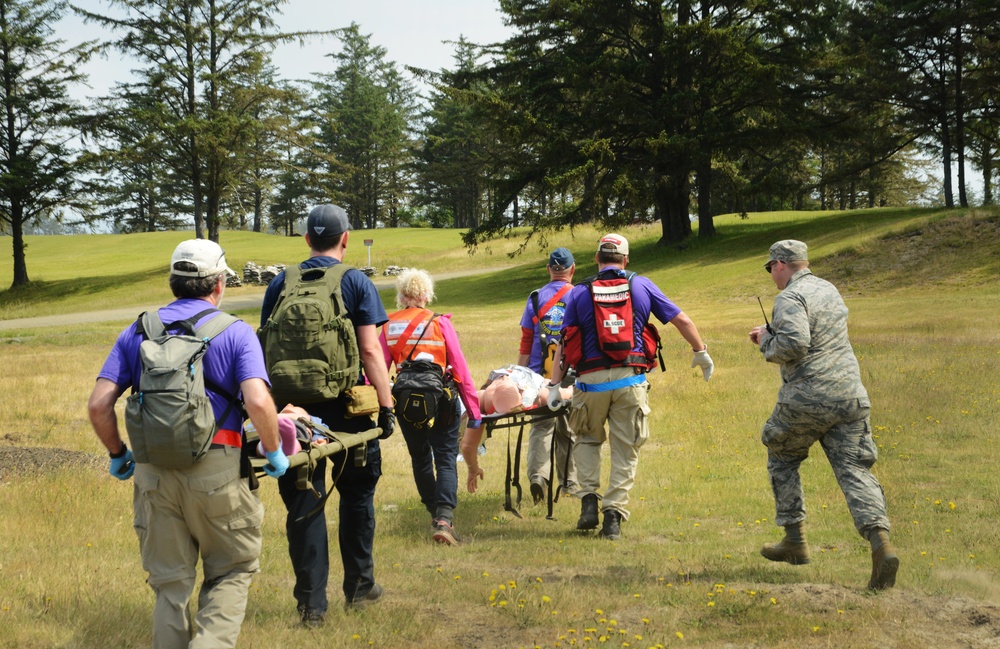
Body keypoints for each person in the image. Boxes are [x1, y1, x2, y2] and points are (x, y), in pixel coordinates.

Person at [87, 239, 288, 649]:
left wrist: (118, 453)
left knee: (170, 586)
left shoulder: (137, 330)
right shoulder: (235, 332)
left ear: (173, 282)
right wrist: (273, 450)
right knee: (231, 570)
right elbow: (257, 400)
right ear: (218, 284)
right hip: (219, 470)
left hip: (153, 474)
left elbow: (98, 404)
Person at [260, 204, 395, 623]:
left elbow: (265, 345)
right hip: (347, 409)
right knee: (356, 496)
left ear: (306, 241)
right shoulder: (355, 281)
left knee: (305, 501)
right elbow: (371, 349)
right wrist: (387, 406)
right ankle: (359, 586)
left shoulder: (280, 283)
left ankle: (312, 606)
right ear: (346, 238)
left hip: (293, 412)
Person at [749, 240, 898, 590]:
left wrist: (764, 342)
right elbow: (816, 334)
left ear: (781, 264)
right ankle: (881, 544)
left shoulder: (788, 297)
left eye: (771, 268)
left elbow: (795, 345)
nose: (771, 275)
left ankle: (795, 540)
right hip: (850, 393)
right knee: (853, 469)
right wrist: (773, 331)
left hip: (809, 395)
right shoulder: (828, 289)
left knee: (782, 454)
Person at [549, 233, 714, 541]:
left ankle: (588, 502)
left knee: (586, 440)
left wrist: (554, 386)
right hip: (631, 381)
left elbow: (564, 341)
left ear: (597, 259)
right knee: (626, 450)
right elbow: (682, 320)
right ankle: (612, 519)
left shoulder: (578, 292)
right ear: (625, 260)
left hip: (590, 383)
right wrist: (700, 352)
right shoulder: (642, 285)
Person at [380, 268, 482, 545]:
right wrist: (474, 411)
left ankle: (433, 513)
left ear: (401, 296)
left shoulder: (388, 325)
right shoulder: (440, 324)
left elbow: (376, 370)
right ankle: (444, 518)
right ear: (426, 295)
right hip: (443, 401)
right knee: (446, 457)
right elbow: (460, 369)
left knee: (420, 458)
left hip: (405, 402)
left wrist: (381, 407)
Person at [517, 247, 578, 504]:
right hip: (570, 372)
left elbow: (525, 340)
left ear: (548, 270)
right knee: (568, 429)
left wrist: (519, 376)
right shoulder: (578, 296)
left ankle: (538, 477)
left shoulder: (534, 298)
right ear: (572, 270)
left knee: (541, 427)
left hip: (537, 376)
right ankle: (569, 483)